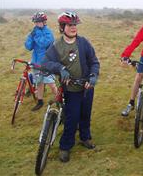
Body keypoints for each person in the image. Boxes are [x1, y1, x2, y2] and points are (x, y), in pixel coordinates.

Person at [42, 11, 100, 163]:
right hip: (71, 89)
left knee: (85, 114)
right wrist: (60, 68)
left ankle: (85, 137)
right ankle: (65, 146)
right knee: (72, 118)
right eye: (70, 25)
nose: (73, 27)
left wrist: (93, 76)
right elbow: (46, 63)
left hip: (87, 86)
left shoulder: (83, 43)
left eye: (75, 24)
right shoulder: (57, 45)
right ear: (62, 27)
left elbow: (94, 61)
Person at [24, 11, 57, 111]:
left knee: (51, 83)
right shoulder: (34, 32)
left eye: (39, 22)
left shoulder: (48, 32)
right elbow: (28, 46)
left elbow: (44, 43)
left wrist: (36, 35)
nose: (37, 24)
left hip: (47, 63)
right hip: (36, 62)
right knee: (39, 83)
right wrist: (31, 36)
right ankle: (40, 101)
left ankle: (61, 100)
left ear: (44, 22)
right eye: (36, 22)